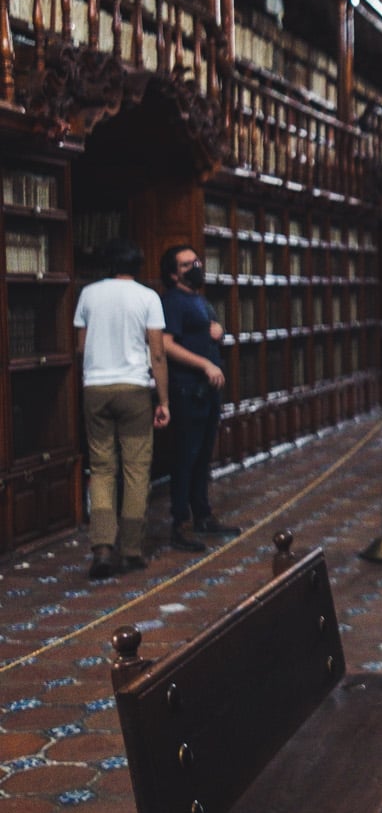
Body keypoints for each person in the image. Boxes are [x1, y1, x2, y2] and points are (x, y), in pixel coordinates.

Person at [73, 238, 169, 580]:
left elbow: (80, 347)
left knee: (101, 468)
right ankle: (130, 550)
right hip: (133, 389)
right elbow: (157, 353)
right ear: (138, 265)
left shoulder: (88, 294)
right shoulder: (148, 297)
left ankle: (101, 547)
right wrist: (164, 400)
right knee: (136, 469)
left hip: (96, 388)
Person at [159, 243, 240, 553]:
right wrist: (205, 364)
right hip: (186, 388)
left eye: (196, 261)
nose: (195, 267)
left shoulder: (198, 299)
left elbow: (202, 332)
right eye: (185, 265)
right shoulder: (173, 301)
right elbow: (166, 344)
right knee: (186, 455)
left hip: (207, 390)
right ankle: (179, 523)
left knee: (203, 454)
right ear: (172, 274)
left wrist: (215, 331)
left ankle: (202, 514)